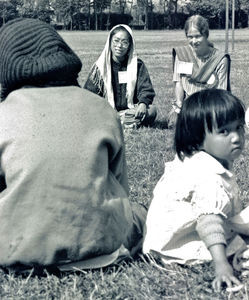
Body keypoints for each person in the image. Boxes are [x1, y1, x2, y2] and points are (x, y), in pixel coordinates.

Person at [0, 18, 146, 271]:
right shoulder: (101, 108)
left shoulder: (4, 114)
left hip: (17, 252)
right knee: (140, 212)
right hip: (102, 249)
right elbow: (120, 186)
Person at [143, 89, 249, 292]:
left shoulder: (197, 160)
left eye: (239, 128)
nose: (236, 138)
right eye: (224, 132)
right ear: (197, 137)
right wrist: (221, 264)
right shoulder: (207, 175)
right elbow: (208, 221)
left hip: (164, 242)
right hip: (185, 247)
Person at [84, 24, 157, 128]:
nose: (119, 45)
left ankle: (119, 122)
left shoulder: (137, 65)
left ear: (130, 45)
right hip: (107, 112)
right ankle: (124, 122)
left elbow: (145, 89)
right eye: (116, 40)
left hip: (130, 110)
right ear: (109, 42)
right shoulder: (100, 67)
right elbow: (89, 95)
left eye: (124, 42)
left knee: (152, 110)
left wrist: (143, 104)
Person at [168, 15, 231, 127]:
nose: (194, 41)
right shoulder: (182, 55)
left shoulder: (220, 59)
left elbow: (221, 92)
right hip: (189, 105)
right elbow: (179, 83)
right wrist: (179, 105)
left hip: (211, 105)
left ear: (206, 35)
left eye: (197, 36)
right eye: (190, 37)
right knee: (175, 122)